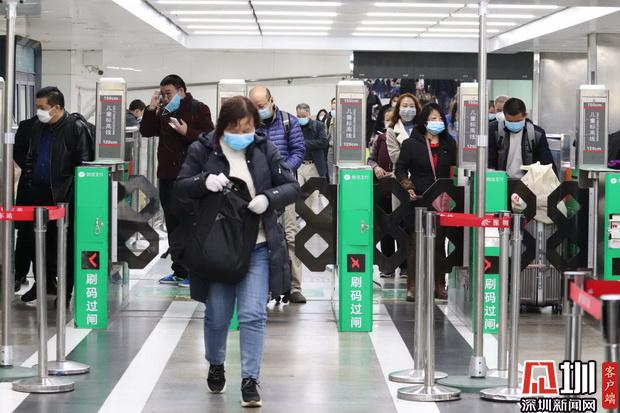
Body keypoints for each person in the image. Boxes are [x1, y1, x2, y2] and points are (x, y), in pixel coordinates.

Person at [175, 96, 300, 408]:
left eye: (247, 128)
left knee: (253, 314)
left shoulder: (264, 149)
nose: (242, 134)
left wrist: (269, 198)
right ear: (222, 126)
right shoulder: (203, 149)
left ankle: (250, 379)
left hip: (257, 245)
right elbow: (181, 187)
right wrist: (204, 181)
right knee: (218, 315)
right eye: (235, 128)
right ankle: (216, 363)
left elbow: (291, 186)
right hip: (218, 247)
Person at [20, 87, 95, 302]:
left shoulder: (75, 127)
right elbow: (30, 158)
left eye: (42, 107)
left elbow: (85, 165)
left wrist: (73, 195)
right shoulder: (38, 127)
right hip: (39, 193)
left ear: (57, 107)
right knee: (39, 243)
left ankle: (65, 291)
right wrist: (30, 180)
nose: (39, 112)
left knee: (65, 245)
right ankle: (42, 284)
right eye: (37, 107)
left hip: (64, 196)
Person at [140, 74, 214, 287]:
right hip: (167, 176)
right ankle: (179, 270)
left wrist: (187, 131)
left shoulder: (199, 108)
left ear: (181, 91)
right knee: (172, 224)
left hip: (190, 177)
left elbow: (210, 139)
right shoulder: (164, 111)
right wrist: (151, 109)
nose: (165, 98)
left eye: (168, 93)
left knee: (190, 224)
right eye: (162, 94)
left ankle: (194, 272)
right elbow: (147, 131)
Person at [248, 85, 306, 304]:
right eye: (254, 106)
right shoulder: (249, 124)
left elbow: (298, 151)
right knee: (260, 236)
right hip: (259, 190)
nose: (258, 110)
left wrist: (281, 171)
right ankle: (264, 287)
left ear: (271, 101)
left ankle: (294, 287)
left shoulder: (289, 122)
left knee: (291, 235)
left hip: (285, 188)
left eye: (261, 105)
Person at [394, 103, 457, 300]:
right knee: (414, 242)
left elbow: (455, 168)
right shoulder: (411, 144)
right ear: (424, 121)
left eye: (439, 118)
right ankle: (412, 285)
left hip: (442, 199)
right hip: (418, 198)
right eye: (432, 118)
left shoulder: (449, 143)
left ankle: (439, 284)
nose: (437, 121)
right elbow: (400, 169)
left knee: (439, 242)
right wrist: (408, 186)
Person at [488, 97, 555, 179]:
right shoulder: (494, 131)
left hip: (527, 182)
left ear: (525, 116)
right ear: (504, 116)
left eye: (517, 121)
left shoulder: (536, 134)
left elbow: (547, 163)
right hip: (500, 181)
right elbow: (489, 160)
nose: (514, 124)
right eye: (510, 121)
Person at [367, 108, 399, 278]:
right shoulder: (379, 139)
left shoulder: (405, 139)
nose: (389, 123)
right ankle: (387, 265)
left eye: (392, 119)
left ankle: (405, 265)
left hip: (399, 189)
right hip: (382, 189)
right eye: (387, 120)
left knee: (401, 226)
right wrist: (376, 168)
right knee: (385, 227)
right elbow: (370, 159)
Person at [13, 115, 38, 291]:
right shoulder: (27, 126)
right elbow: (17, 151)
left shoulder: (66, 126)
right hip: (29, 186)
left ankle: (45, 279)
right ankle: (19, 274)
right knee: (25, 233)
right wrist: (32, 168)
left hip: (54, 188)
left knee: (51, 234)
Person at [296, 103, 329, 196]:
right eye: (298, 116)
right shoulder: (295, 127)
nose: (301, 118)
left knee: (314, 195)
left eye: (303, 116)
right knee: (300, 195)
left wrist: (305, 143)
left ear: (309, 114)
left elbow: (324, 142)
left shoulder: (318, 126)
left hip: (314, 165)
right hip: (300, 165)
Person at [386, 93, 422, 166]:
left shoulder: (422, 128)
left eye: (412, 106)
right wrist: (415, 151)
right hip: (402, 170)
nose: (408, 109)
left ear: (416, 109)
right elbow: (394, 157)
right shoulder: (391, 130)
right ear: (398, 109)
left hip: (422, 170)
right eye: (405, 106)